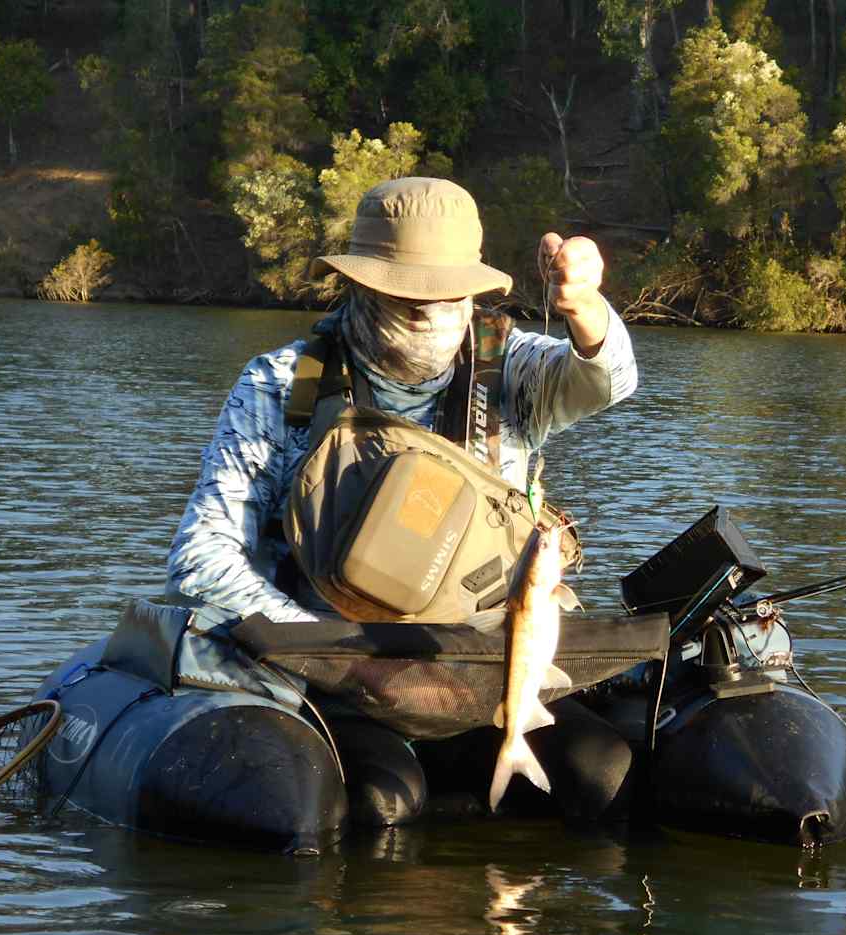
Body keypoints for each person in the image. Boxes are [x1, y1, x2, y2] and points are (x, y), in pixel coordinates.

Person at [165, 176, 639, 825]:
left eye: (444, 297)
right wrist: (345, 656)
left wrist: (585, 307)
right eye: (403, 296)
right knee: (384, 803)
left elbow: (610, 380)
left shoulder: (516, 371)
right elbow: (200, 558)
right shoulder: (282, 385)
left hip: (485, 679)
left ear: (472, 292)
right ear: (358, 284)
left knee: (600, 772)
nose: (425, 313)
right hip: (340, 687)